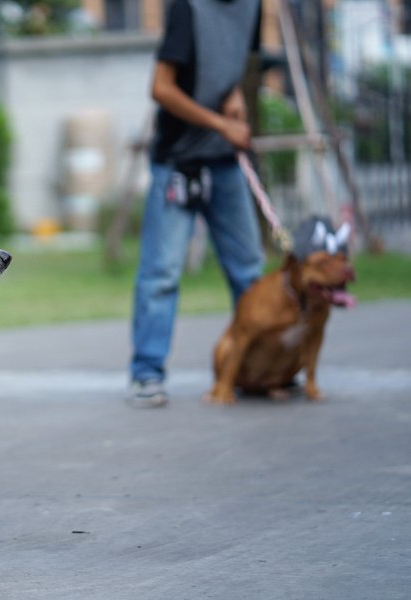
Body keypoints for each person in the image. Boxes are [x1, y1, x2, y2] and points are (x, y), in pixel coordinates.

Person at [127, 0, 265, 408]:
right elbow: (161, 88)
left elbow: (231, 59)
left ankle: (257, 371)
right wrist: (222, 123)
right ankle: (147, 375)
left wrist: (234, 93)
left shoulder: (251, 8)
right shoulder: (188, 9)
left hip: (224, 162)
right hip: (178, 162)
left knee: (249, 270)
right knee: (162, 273)